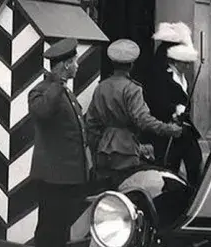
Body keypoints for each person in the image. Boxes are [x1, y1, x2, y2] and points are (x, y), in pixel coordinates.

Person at [27, 37, 90, 247]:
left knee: (61, 229)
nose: (76, 65)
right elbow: (43, 113)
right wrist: (56, 82)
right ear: (64, 65)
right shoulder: (42, 91)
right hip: (51, 175)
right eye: (72, 61)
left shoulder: (66, 93)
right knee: (48, 229)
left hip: (69, 175)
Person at [86, 39, 184, 186]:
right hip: (126, 150)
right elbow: (143, 120)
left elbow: (91, 123)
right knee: (128, 190)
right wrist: (169, 129)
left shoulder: (101, 87)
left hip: (103, 151)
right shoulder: (132, 88)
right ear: (131, 65)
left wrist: (98, 147)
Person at [146, 22, 204, 187]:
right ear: (175, 61)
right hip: (167, 131)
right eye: (184, 62)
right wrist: (174, 109)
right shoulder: (161, 77)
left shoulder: (182, 77)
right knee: (169, 169)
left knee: (195, 162)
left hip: (184, 129)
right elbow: (156, 101)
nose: (187, 66)